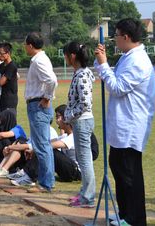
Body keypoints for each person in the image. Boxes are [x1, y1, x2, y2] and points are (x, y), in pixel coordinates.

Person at [94, 18, 155, 226]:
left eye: (116, 36)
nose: (115, 41)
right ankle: (124, 213)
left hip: (131, 124)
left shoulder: (138, 60)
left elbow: (118, 87)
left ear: (126, 37)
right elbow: (109, 76)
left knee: (129, 173)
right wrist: (101, 61)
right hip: (121, 123)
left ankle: (135, 218)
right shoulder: (128, 57)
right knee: (118, 167)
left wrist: (103, 64)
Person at [23, 32, 58, 193]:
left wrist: (47, 97)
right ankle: (47, 181)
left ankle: (45, 183)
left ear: (30, 45)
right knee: (43, 145)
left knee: (42, 145)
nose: (24, 47)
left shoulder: (39, 61)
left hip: (38, 105)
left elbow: (51, 80)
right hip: (36, 104)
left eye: (25, 44)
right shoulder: (40, 59)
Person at [64, 41, 96, 208]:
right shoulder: (81, 73)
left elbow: (85, 103)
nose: (65, 58)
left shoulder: (83, 75)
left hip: (82, 121)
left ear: (73, 56)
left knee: (84, 160)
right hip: (80, 121)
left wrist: (68, 115)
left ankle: (88, 197)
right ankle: (84, 192)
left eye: (66, 55)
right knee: (82, 158)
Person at [0, 42, 19, 114]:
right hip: (2, 98)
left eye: (1, 53)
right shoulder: (2, 65)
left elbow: (1, 82)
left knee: (9, 123)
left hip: (9, 100)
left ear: (8, 53)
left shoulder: (11, 66)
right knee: (1, 122)